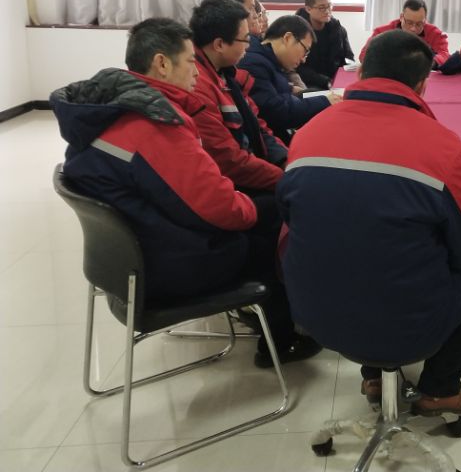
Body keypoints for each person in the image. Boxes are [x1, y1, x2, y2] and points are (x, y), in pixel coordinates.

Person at [49, 18, 319, 367]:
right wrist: (252, 205)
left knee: (262, 207)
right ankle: (281, 341)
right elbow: (221, 208)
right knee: (271, 220)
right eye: (190, 61)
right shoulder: (154, 124)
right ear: (162, 63)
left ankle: (261, 315)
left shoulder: (108, 108)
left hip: (124, 262)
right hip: (163, 265)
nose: (196, 72)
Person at [278, 30, 461, 416]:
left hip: (312, 312)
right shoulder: (443, 148)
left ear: (361, 73)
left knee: (352, 244)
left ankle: (374, 376)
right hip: (405, 325)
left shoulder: (307, 135)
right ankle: (438, 389)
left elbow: (293, 219)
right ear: (422, 86)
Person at [190, 0, 288, 192]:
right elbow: (229, 161)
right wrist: (285, 179)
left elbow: (258, 126)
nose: (248, 46)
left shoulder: (227, 74)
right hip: (233, 187)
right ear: (219, 44)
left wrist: (285, 160)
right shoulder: (198, 88)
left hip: (254, 169)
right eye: (245, 39)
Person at [238, 15, 339, 145]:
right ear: (288, 38)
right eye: (305, 51)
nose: (303, 59)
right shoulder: (254, 64)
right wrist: (325, 101)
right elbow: (277, 113)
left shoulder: (268, 57)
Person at [358, 0, 450, 68]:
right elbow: (364, 56)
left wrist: (430, 63)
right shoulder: (383, 32)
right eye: (409, 23)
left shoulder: (434, 33)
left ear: (425, 20)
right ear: (401, 17)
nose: (413, 28)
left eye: (419, 24)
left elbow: (444, 54)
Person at [295, 0, 354, 90]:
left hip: (335, 82)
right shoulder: (297, 31)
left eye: (329, 6)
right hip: (308, 83)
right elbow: (297, 67)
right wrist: (326, 81)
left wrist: (346, 77)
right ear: (308, 9)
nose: (327, 11)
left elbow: (348, 58)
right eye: (322, 8)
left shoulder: (338, 30)